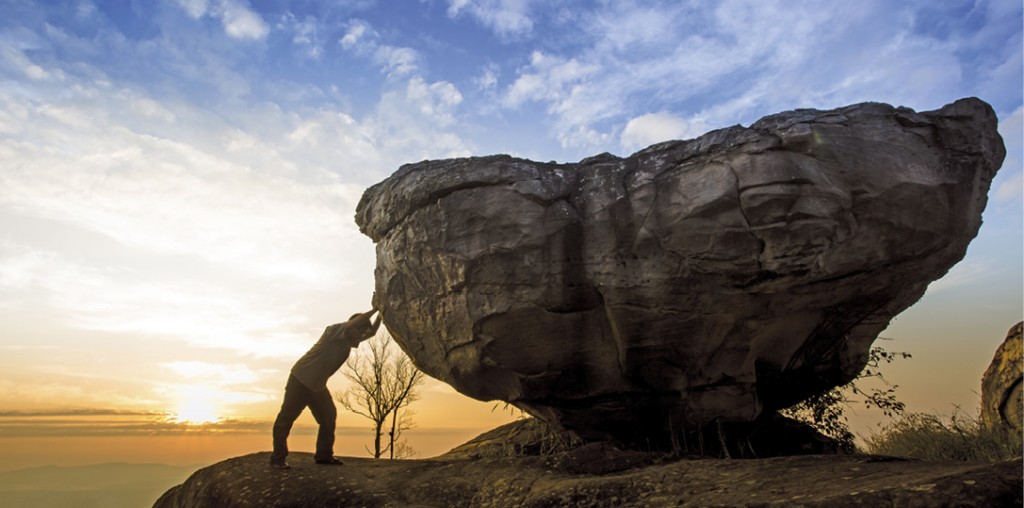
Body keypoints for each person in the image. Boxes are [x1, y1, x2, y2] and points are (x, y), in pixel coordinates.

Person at [270, 308, 382, 470]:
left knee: (328, 417)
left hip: (317, 386)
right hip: (299, 380)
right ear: (354, 329)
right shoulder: (333, 331)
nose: (361, 337)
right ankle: (277, 459)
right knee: (285, 419)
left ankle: (324, 455)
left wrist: (382, 312)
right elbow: (356, 324)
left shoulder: (348, 342)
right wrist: (376, 308)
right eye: (360, 332)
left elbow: (372, 333)